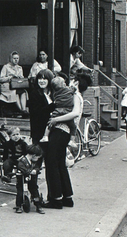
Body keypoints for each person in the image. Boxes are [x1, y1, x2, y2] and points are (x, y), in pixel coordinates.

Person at [42, 75, 83, 209]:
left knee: (51, 163)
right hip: (66, 132)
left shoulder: (75, 95)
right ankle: (67, 197)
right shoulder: (71, 94)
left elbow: (75, 113)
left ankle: (56, 198)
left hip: (60, 129)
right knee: (60, 164)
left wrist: (56, 120)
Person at [40, 76, 76, 143]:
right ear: (63, 84)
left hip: (57, 111)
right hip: (67, 111)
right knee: (73, 126)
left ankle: (45, 136)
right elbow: (74, 89)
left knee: (50, 123)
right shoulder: (68, 90)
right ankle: (72, 141)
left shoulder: (55, 93)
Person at [28, 69, 56, 146]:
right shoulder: (34, 94)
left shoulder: (53, 93)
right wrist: (53, 105)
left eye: (44, 79)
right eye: (40, 79)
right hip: (39, 129)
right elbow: (37, 112)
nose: (41, 81)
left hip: (54, 128)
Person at [15, 144, 45, 214]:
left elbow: (37, 167)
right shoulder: (22, 160)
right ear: (34, 155)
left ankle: (38, 205)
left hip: (31, 180)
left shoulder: (33, 162)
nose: (38, 159)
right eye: (37, 157)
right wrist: (29, 171)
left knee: (34, 191)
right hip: (22, 179)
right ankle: (18, 206)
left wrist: (36, 170)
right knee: (20, 192)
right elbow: (21, 167)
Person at [0, 51, 29, 118]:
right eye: (14, 58)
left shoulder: (19, 68)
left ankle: (23, 110)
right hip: (8, 87)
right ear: (10, 59)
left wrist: (20, 77)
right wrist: (10, 78)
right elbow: (1, 79)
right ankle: (22, 111)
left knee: (23, 92)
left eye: (17, 58)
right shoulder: (6, 67)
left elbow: (22, 78)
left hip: (17, 86)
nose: (16, 60)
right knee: (15, 93)